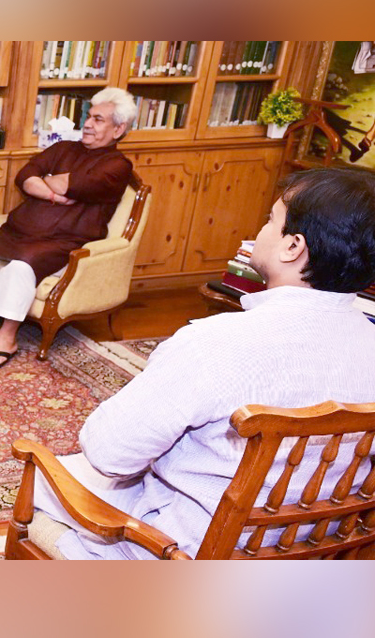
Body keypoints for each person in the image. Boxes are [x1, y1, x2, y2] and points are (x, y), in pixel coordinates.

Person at [29, 166, 375, 559]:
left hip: (187, 551)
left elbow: (110, 453)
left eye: (270, 220)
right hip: (317, 552)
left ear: (292, 247)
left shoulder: (215, 343)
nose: (259, 230)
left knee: (43, 475)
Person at [0, 87, 136, 369]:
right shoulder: (64, 147)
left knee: (20, 265)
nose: (87, 124)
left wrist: (51, 178)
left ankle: (7, 337)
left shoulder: (118, 166)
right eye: (89, 116)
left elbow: (70, 184)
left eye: (99, 120)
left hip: (61, 242)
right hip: (16, 232)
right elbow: (25, 176)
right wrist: (52, 191)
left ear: (118, 129)